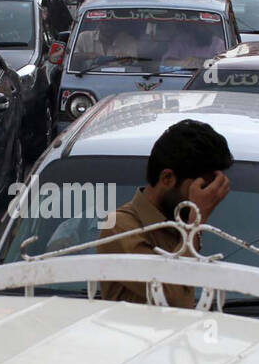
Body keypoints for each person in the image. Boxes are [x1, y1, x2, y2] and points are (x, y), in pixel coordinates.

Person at [98, 119, 233, 308]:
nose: (207, 196)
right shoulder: (120, 227)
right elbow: (173, 298)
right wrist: (196, 222)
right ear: (167, 178)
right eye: (201, 187)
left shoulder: (179, 220)